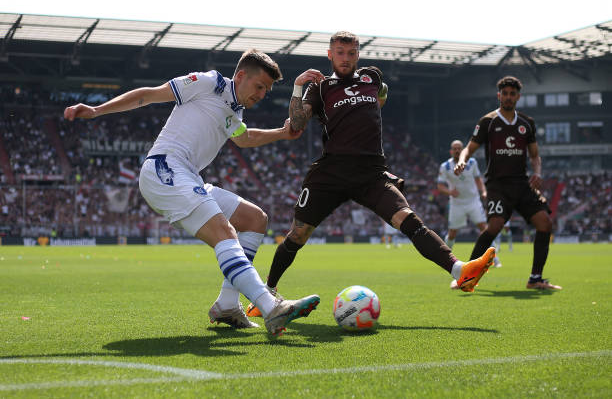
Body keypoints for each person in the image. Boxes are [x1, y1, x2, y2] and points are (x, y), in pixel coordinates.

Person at [64, 49, 320, 336]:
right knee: (225, 233)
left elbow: (245, 138)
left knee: (254, 219)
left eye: (267, 90)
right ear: (240, 76)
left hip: (187, 175)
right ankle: (272, 309)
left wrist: (282, 133)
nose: (262, 94)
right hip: (164, 169)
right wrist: (97, 110)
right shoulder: (208, 82)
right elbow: (148, 95)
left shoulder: (235, 109)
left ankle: (227, 305)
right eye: (259, 86)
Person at [245, 31, 495, 318]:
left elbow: (381, 99)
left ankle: (460, 271)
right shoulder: (321, 88)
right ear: (330, 54)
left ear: (358, 54)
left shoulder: (372, 77)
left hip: (371, 172)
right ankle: (266, 294)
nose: (346, 58)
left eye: (351, 53)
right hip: (331, 172)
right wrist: (298, 87)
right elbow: (296, 126)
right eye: (340, 52)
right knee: (298, 234)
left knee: (408, 219)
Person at [454, 76, 561, 290]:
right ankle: (467, 277)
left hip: (521, 185)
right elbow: (469, 147)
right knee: (494, 226)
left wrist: (537, 172)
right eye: (505, 93)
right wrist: (462, 160)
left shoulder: (526, 123)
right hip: (498, 185)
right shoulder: (488, 121)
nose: (509, 97)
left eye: (513, 94)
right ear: (499, 96)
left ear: (518, 97)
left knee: (545, 224)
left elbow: (535, 155)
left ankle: (535, 279)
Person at [437, 140, 502, 278]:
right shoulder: (445, 166)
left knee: (485, 229)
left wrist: (483, 191)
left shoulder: (472, 163)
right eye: (454, 148)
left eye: (459, 148)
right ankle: (444, 259)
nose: (457, 151)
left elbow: (478, 180)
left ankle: (494, 259)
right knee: (452, 233)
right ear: (451, 151)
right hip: (457, 203)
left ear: (463, 149)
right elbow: (440, 186)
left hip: (473, 201)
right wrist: (450, 192)